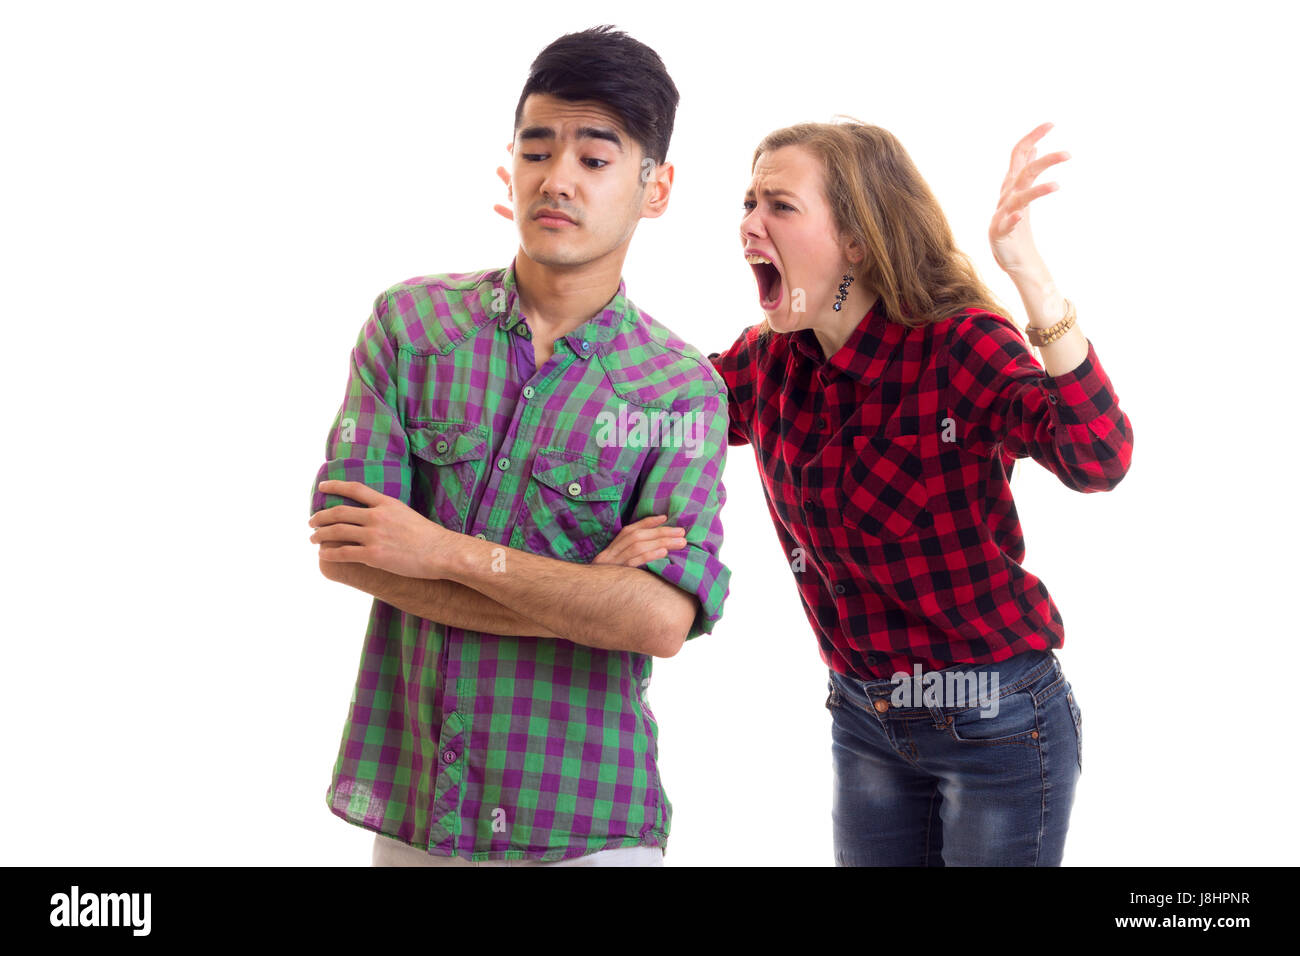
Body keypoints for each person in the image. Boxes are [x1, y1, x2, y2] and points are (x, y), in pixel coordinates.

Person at [592, 119, 1134, 865]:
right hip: (865, 719)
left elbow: (1097, 457)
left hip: (995, 719)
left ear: (855, 238)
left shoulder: (961, 344)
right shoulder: (772, 360)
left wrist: (1029, 276)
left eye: (779, 206)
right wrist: (582, 262)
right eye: (747, 204)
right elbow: (653, 411)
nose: (748, 224)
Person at [306, 25, 731, 866]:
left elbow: (657, 619)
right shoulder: (412, 326)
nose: (557, 180)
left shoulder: (678, 390)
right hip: (419, 808)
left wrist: (436, 551)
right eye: (537, 150)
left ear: (657, 187)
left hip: (586, 827)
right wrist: (585, 595)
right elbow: (350, 553)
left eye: (595, 159)